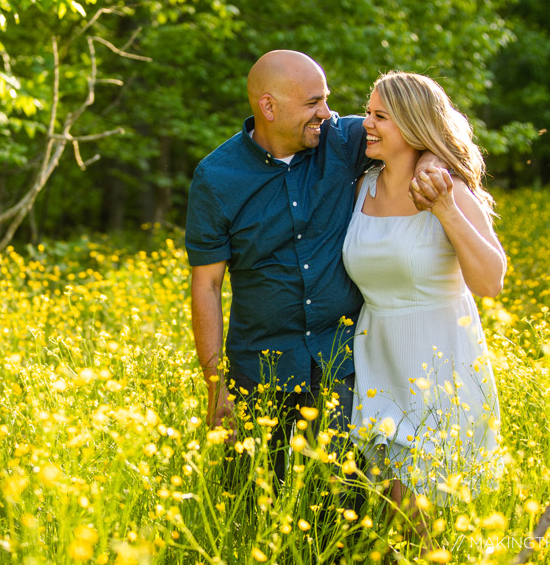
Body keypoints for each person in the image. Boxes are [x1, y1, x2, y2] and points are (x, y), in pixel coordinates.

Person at [184, 51, 439, 479]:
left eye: (325, 100)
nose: (328, 112)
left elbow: (423, 130)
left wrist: (431, 162)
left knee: (341, 511)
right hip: (260, 370)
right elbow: (206, 285)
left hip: (342, 365)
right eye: (313, 103)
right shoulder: (216, 178)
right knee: (254, 505)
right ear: (268, 106)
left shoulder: (343, 140)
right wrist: (217, 389)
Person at [342, 71, 505, 540]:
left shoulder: (448, 188)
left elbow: (491, 281)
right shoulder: (362, 187)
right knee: (391, 517)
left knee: (415, 516)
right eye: (367, 112)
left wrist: (445, 207)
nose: (366, 124)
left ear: (413, 125)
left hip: (437, 361)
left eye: (380, 116)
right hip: (378, 360)